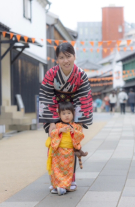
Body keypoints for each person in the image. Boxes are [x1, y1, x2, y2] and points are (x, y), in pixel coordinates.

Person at [39, 42, 93, 191]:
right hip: (55, 112)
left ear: (74, 57)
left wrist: (78, 123)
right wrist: (51, 122)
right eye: (61, 57)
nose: (65, 60)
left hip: (71, 114)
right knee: (54, 146)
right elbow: (46, 96)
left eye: (68, 56)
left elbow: (83, 98)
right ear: (57, 59)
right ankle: (55, 180)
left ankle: (71, 179)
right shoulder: (51, 74)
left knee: (70, 147)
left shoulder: (81, 75)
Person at [47, 102, 85, 196]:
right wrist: (59, 130)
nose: (66, 116)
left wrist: (74, 132)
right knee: (57, 169)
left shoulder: (76, 126)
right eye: (63, 114)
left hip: (69, 152)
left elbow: (81, 135)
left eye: (69, 113)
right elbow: (51, 134)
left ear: (73, 114)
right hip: (58, 152)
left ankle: (64, 186)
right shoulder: (58, 125)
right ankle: (57, 185)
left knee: (68, 170)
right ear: (59, 115)